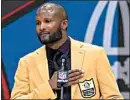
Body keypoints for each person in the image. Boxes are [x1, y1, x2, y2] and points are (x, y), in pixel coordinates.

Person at [11, 2, 123, 99]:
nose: (42, 27)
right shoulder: (27, 62)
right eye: (38, 23)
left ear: (64, 24)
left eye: (47, 21)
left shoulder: (94, 55)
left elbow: (113, 97)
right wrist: (49, 86)